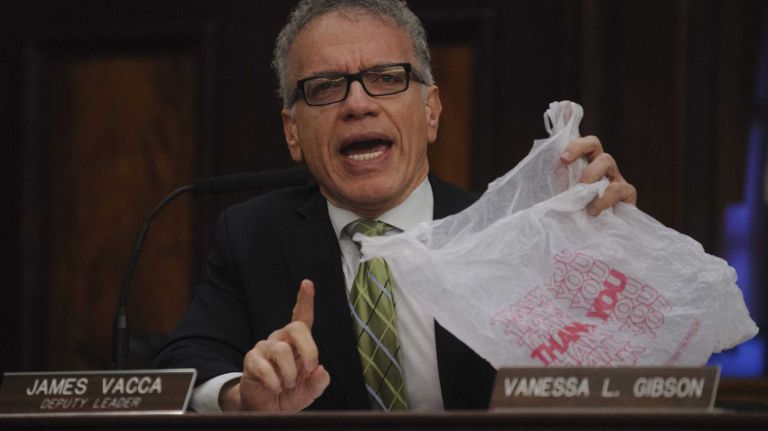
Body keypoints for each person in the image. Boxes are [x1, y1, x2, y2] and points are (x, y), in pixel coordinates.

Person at [153, 0, 637, 412]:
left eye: (386, 78)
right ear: (292, 132)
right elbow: (184, 364)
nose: (357, 104)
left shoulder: (513, 234)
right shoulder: (252, 236)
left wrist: (614, 249)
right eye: (324, 87)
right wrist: (242, 394)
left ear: (431, 111)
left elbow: (622, 371)